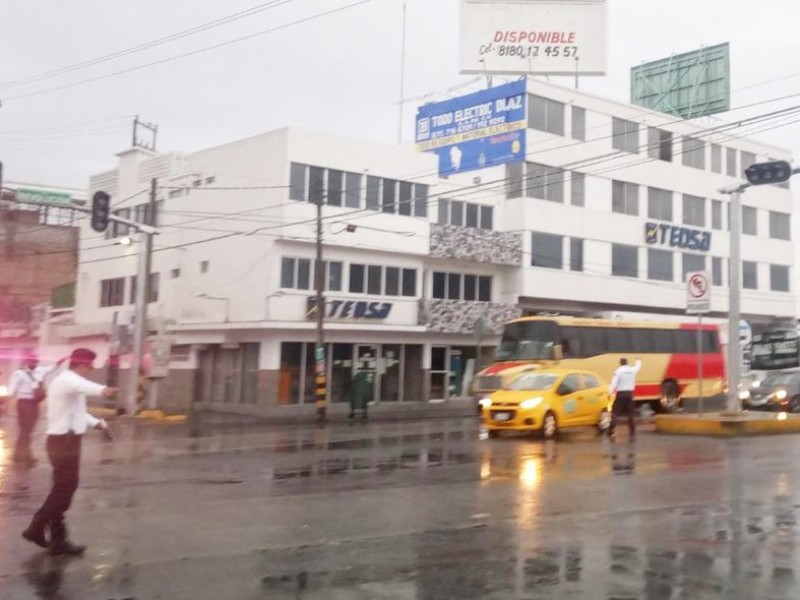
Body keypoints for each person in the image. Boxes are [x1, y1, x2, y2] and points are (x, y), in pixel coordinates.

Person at [22, 348, 117, 556]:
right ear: (81, 365)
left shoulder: (70, 384)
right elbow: (82, 385)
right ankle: (36, 528)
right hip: (62, 442)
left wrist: (99, 424)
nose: (91, 370)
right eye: (90, 366)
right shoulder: (67, 380)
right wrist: (103, 390)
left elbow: (78, 413)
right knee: (65, 489)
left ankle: (58, 540)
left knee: (63, 489)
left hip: (69, 441)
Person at [9, 353, 64, 467]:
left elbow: (52, 368)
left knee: (27, 431)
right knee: (26, 431)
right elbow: (12, 389)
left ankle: (19, 455)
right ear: (26, 362)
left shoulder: (41, 370)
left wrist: (60, 361)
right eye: (32, 361)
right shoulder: (19, 374)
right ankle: (25, 456)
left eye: (35, 361)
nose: (34, 363)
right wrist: (6, 399)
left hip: (34, 403)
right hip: (24, 403)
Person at [608, 357, 642, 440]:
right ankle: (632, 432)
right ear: (627, 363)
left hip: (621, 394)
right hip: (630, 394)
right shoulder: (632, 370)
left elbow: (614, 383)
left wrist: (610, 393)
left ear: (620, 363)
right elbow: (638, 367)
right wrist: (638, 360)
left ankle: (611, 430)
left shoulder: (618, 371)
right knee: (631, 414)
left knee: (615, 412)